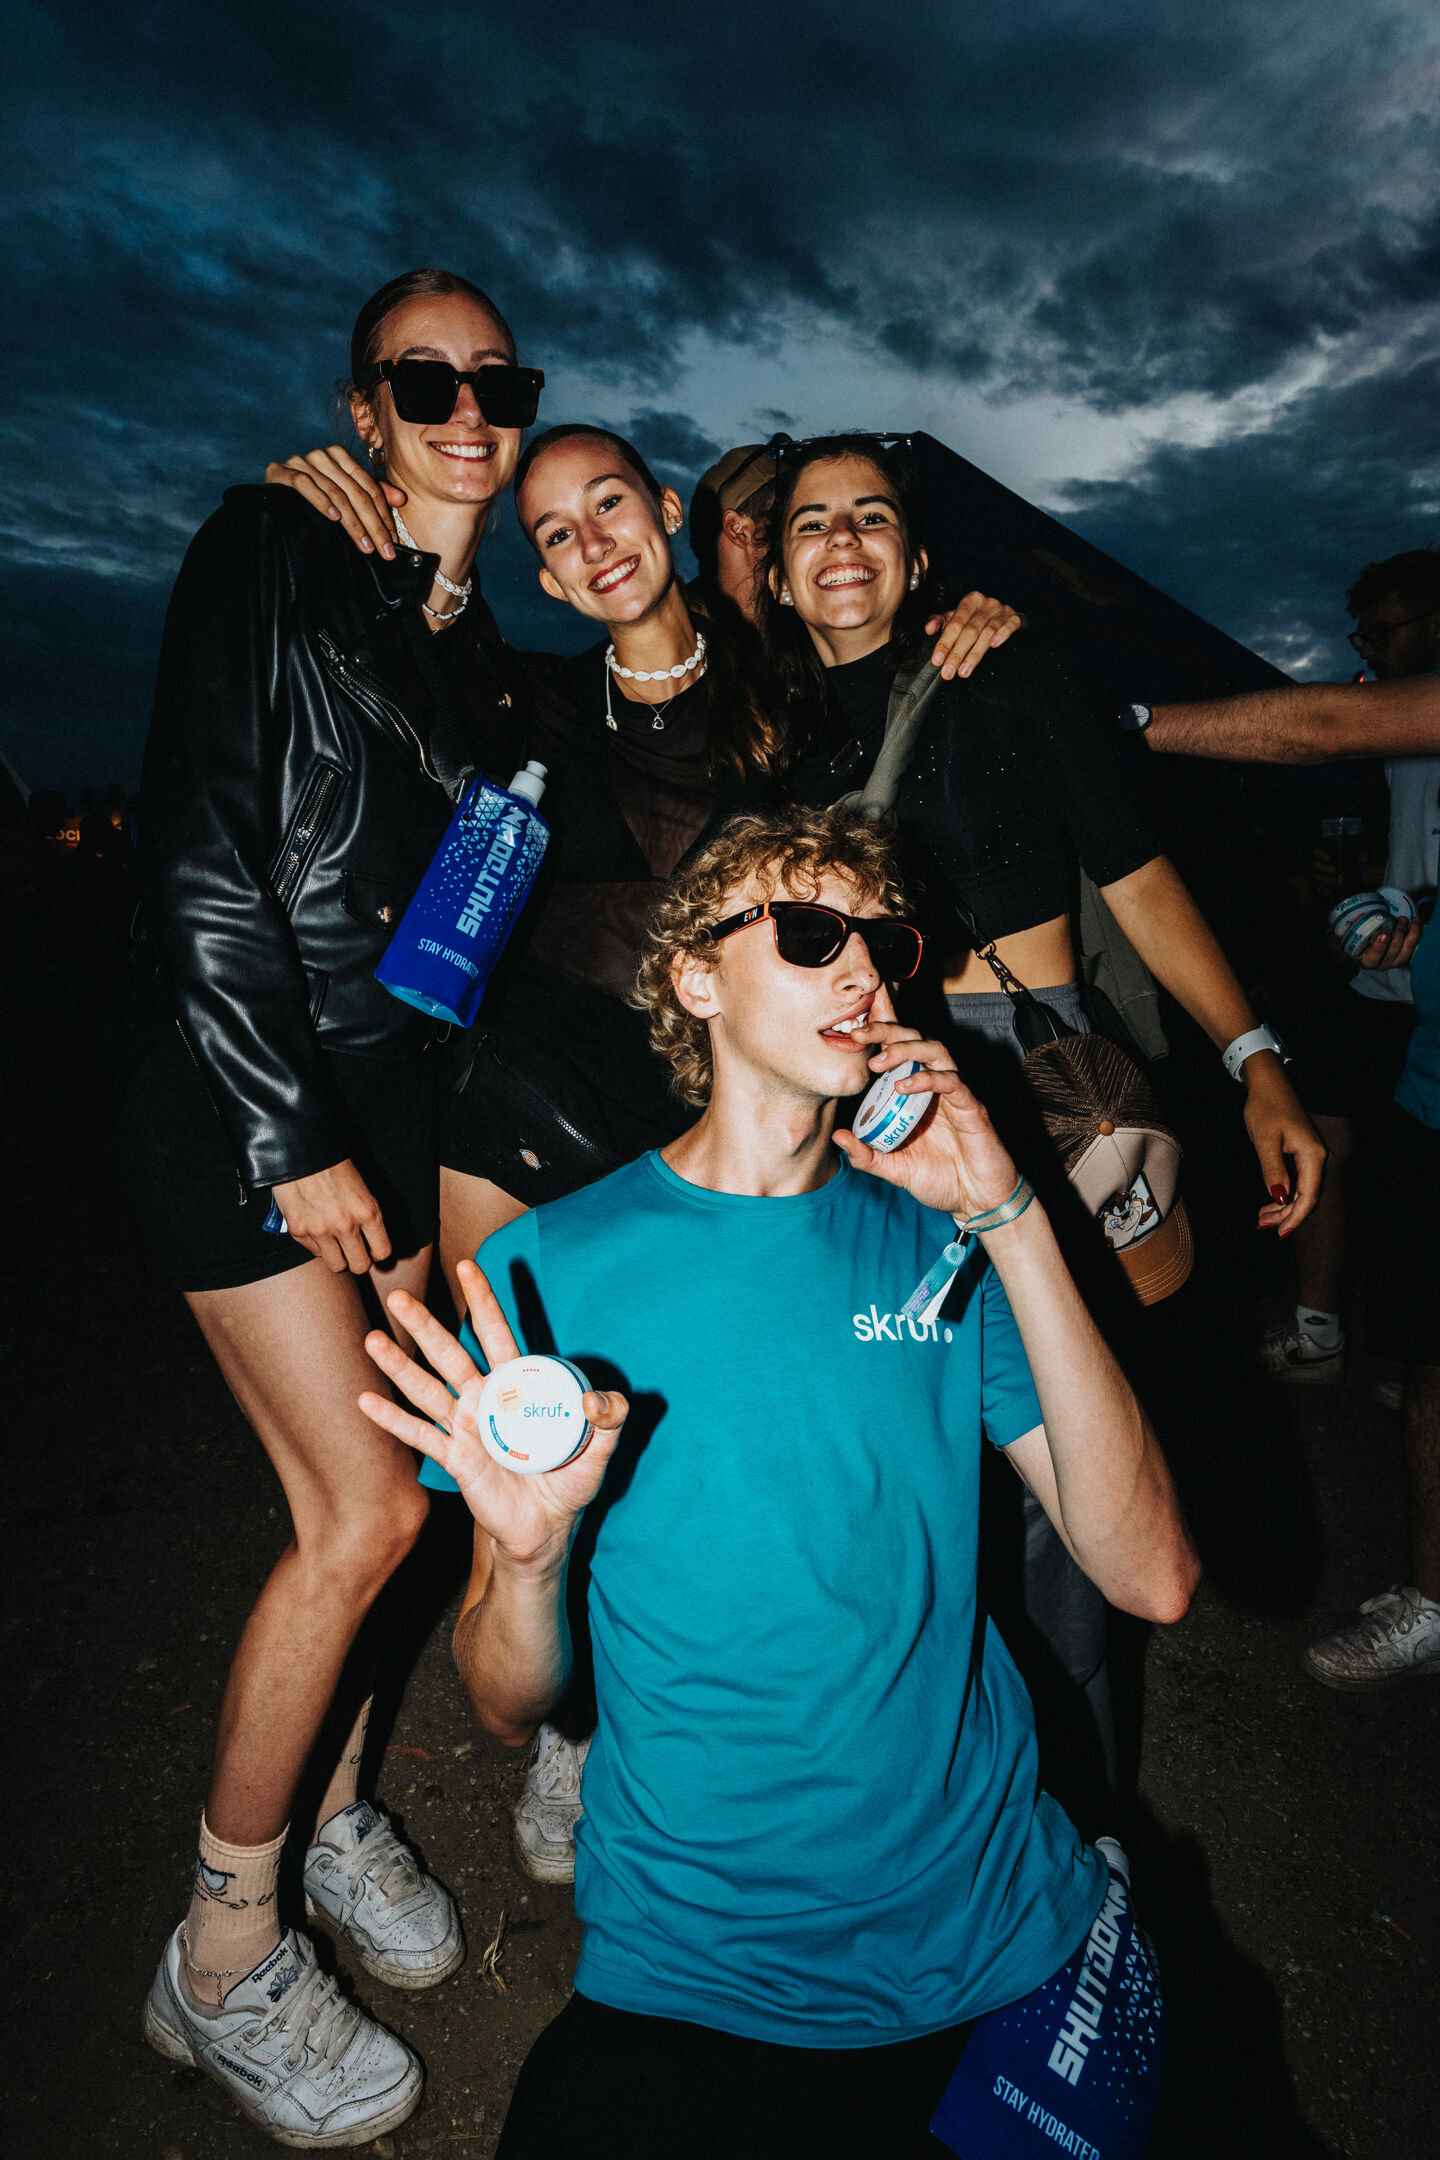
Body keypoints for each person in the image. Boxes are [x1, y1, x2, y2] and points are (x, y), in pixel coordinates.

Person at [357, 804, 1200, 2159]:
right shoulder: (548, 1269)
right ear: (695, 978)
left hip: (990, 1931)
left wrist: (1008, 1214)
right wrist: (526, 1558)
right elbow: (509, 1711)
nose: (865, 970)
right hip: (696, 1963)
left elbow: (1151, 1574)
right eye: (811, 934)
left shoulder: (939, 1245)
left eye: (884, 943)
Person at [264, 418, 1023, 1882]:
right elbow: (400, 657)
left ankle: (639, 1700)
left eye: (609, 503)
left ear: (666, 512)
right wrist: (335, 517)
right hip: (531, 1094)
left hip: (707, 1106)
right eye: (553, 532)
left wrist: (971, 624)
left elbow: (890, 710)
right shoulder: (532, 701)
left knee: (698, 1425)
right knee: (507, 1415)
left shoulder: (783, 689)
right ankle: (547, 1718)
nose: (591, 541)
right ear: (545, 575)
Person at [755, 433, 1324, 1809]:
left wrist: (1255, 1059)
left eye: (871, 517)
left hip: (1026, 1080)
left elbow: (1136, 874)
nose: (843, 542)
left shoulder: (1005, 672)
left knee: (1062, 1447)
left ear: (918, 557)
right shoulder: (768, 735)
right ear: (772, 571)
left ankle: (1069, 1813)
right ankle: (913, 1788)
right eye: (812, 522)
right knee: (895, 1443)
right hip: (860, 1101)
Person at [134, 267, 548, 2147]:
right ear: (359, 407)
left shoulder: (462, 639)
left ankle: (333, 1813)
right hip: (253, 1101)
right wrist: (289, 1129)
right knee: (362, 1512)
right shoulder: (270, 547)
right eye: (422, 381)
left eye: (496, 384)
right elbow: (203, 850)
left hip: (386, 1118)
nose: (467, 412)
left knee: (402, 1498)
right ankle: (223, 1949)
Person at [1112, 661, 1440, 1688]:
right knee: (1432, 1355)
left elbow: (1330, 720)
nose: (1377, 650)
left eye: (1396, 631)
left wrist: (1127, 714)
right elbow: (1338, 724)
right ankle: (1433, 1601)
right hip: (1428, 1058)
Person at [1254, 549, 1440, 1383]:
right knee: (1321, 1132)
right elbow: (1395, 848)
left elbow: (1312, 726)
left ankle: (1412, 1361)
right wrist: (1358, 884)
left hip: (1432, 988)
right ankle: (1321, 1329)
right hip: (1376, 983)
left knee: (1410, 1181)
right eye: (1361, 636)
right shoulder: (1388, 727)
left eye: (1386, 632)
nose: (1369, 650)